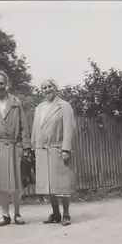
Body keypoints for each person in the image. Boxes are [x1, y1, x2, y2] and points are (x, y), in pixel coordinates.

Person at [0, 70, 32, 227]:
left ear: (7, 84)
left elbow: (24, 126)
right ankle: (5, 214)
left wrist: (26, 146)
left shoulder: (16, 102)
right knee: (2, 183)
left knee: (16, 183)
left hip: (15, 146)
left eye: (2, 83)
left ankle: (17, 213)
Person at [31, 79, 76, 226]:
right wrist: (34, 147)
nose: (47, 90)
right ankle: (55, 213)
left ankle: (66, 213)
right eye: (44, 88)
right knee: (49, 186)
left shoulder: (63, 106)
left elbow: (69, 128)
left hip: (57, 149)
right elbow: (35, 129)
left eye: (50, 86)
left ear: (55, 88)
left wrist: (66, 149)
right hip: (42, 151)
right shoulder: (39, 108)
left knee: (61, 185)